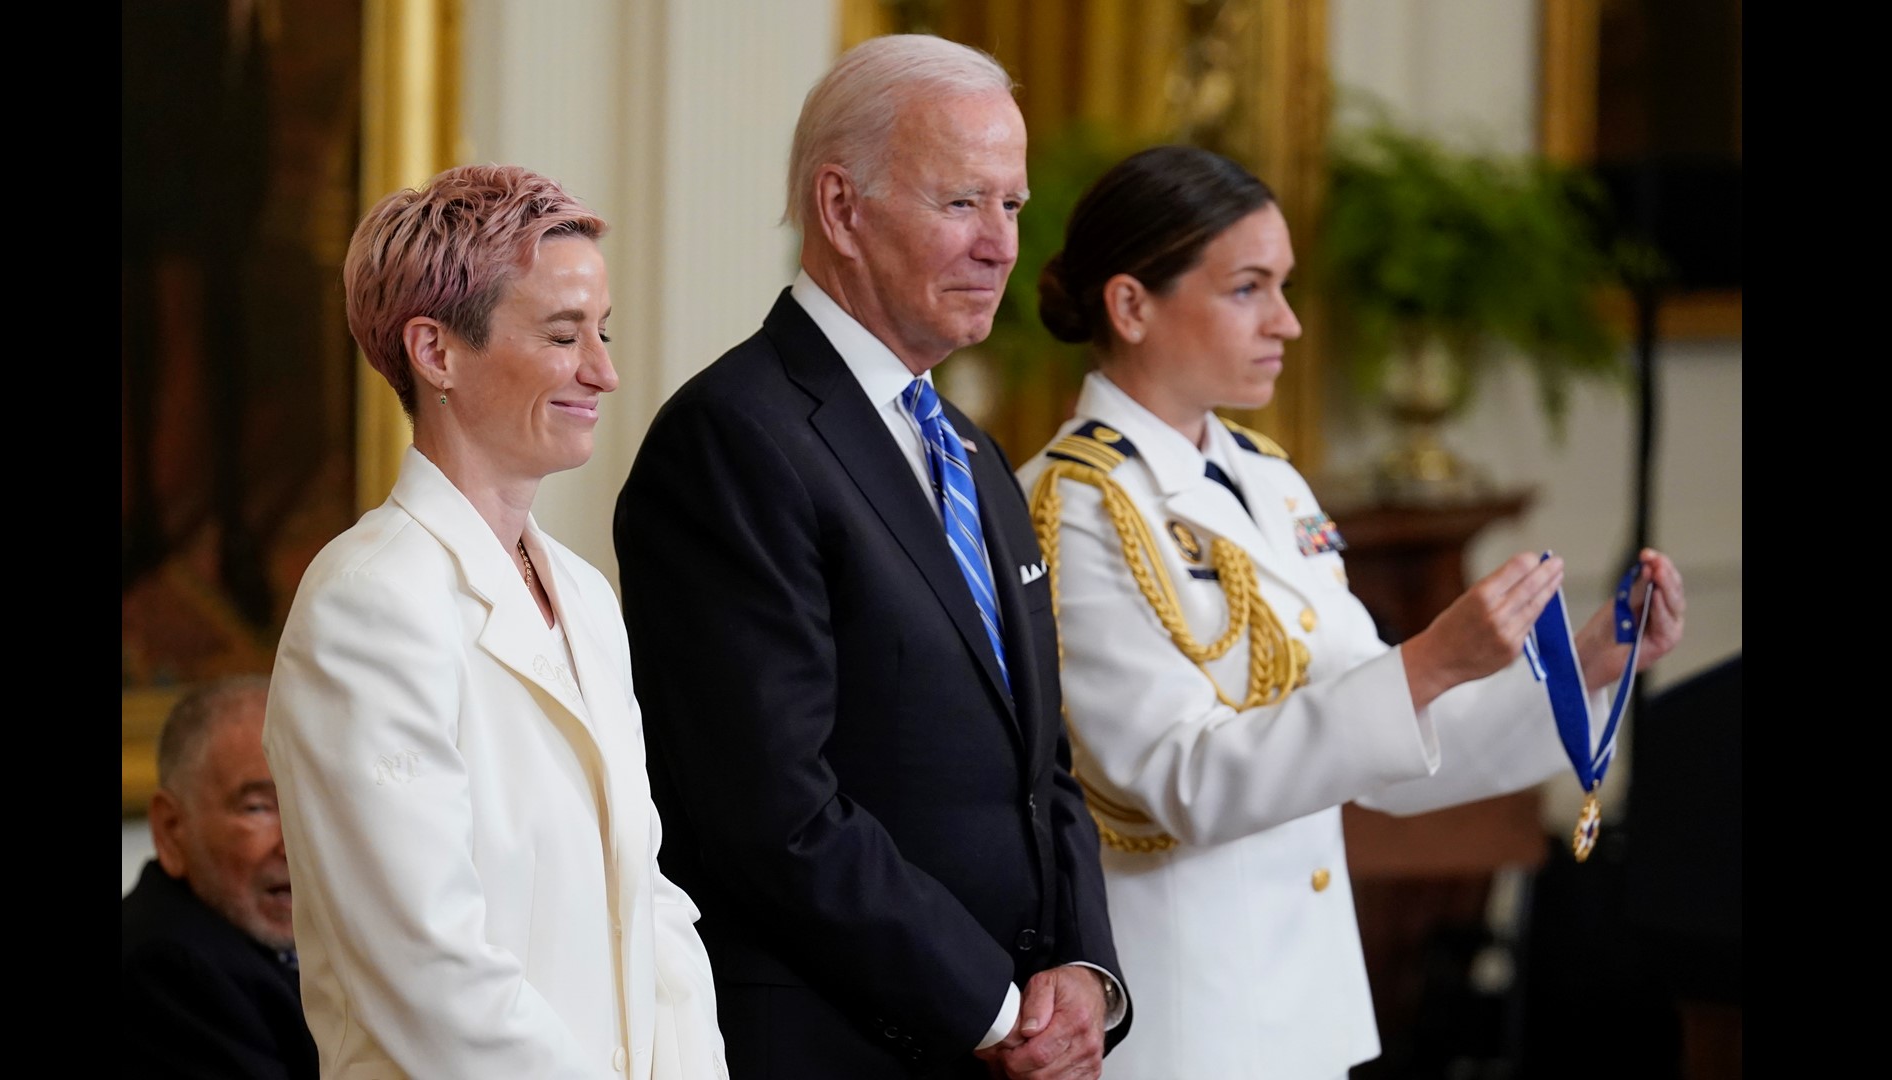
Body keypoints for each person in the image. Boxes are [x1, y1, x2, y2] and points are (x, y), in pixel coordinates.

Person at [1016, 145, 1687, 1080]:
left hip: (1304, 1017)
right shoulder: (1075, 505)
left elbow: (1391, 759)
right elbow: (1181, 780)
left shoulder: (1265, 478)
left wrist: (1590, 662)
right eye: (1249, 287)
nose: (1287, 322)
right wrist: (1428, 663)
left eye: (1283, 286)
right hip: (1186, 1027)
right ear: (1131, 306)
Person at [613, 34, 1129, 1080]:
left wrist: (1084, 972)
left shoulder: (971, 452)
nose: (1000, 247)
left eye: (1013, 208)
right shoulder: (733, 438)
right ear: (841, 208)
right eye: (962, 204)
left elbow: (1042, 767)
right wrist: (990, 1008)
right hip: (829, 1044)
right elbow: (770, 811)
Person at [263, 164, 726, 1079]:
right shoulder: (367, 601)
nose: (604, 369)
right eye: (563, 335)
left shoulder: (587, 595)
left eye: (601, 331)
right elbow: (427, 973)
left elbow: (653, 910)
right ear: (436, 353)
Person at [123, 675, 319, 1079]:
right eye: (258, 809)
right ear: (172, 828)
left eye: (312, 804)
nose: (294, 846)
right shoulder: (169, 970)